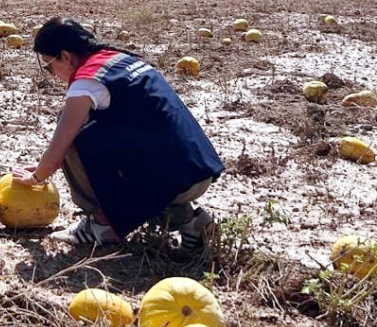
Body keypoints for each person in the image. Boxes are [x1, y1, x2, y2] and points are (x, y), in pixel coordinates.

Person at [12, 17, 224, 250]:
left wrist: (36, 178)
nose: (51, 74)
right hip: (197, 170)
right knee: (111, 138)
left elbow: (57, 152)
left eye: (48, 64)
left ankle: (102, 223)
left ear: (65, 56)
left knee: (76, 133)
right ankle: (190, 220)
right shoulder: (122, 59)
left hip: (171, 177)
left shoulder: (85, 82)